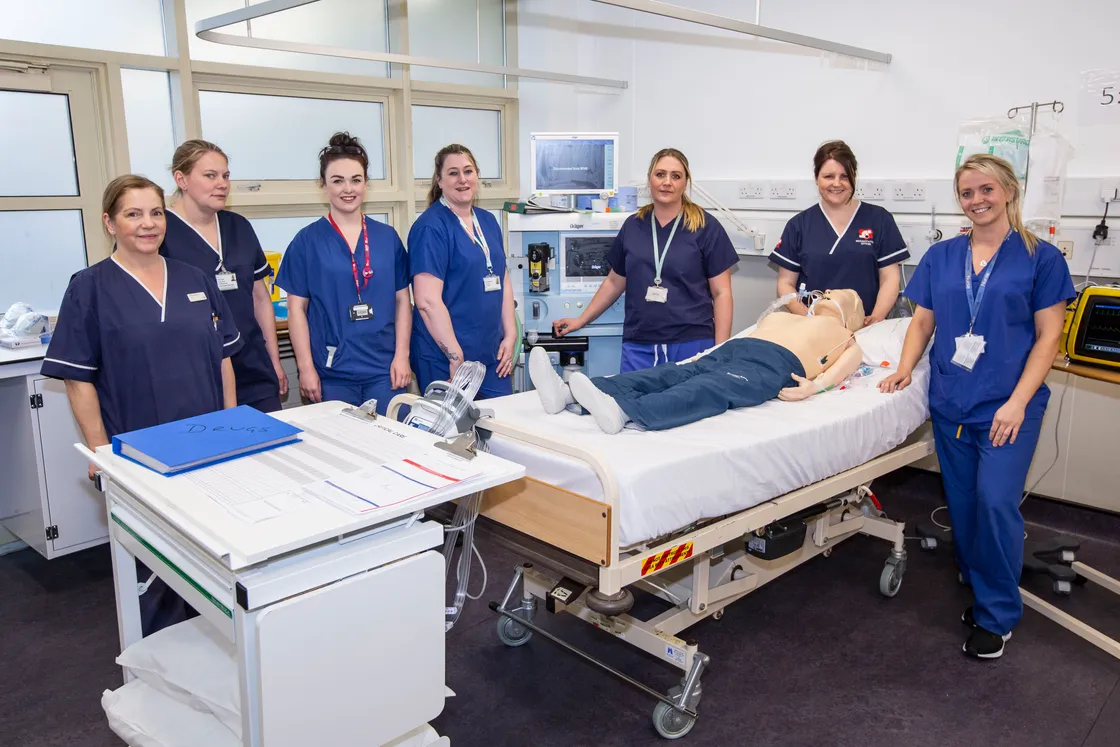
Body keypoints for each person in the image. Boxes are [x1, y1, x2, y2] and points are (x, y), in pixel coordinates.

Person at [879, 154, 1075, 661]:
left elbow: (1049, 337)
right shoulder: (942, 257)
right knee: (962, 507)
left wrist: (1016, 402)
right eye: (967, 193)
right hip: (952, 401)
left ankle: (997, 614)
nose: (977, 201)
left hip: (1010, 406)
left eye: (986, 190)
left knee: (993, 503)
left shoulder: (1042, 258)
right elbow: (922, 322)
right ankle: (982, 580)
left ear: (1008, 191)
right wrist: (905, 367)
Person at [41, 174, 242, 636]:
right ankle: (161, 654)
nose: (147, 224)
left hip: (209, 444)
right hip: (139, 450)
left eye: (155, 213)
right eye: (133, 214)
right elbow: (77, 379)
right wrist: (100, 453)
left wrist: (233, 424)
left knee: (213, 556)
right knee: (158, 566)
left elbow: (225, 358)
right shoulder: (89, 287)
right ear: (110, 222)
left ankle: (217, 644)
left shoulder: (195, 279)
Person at [530, 289, 866, 433]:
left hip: (772, 367)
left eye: (840, 295)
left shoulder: (846, 336)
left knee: (706, 388)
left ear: (852, 314)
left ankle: (622, 412)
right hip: (738, 348)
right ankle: (568, 394)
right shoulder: (792, 316)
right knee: (668, 374)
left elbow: (850, 362)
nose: (829, 294)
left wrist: (815, 388)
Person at [552, 147, 738, 372]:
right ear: (649, 179)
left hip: (692, 344)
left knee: (685, 405)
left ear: (685, 183)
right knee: (632, 402)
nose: (667, 182)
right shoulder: (633, 226)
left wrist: (718, 350)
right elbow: (614, 282)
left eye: (675, 176)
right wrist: (581, 320)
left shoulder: (705, 227)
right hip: (639, 343)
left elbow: (722, 293)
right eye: (660, 174)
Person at [275, 132, 412, 415]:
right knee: (341, 450)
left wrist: (402, 355)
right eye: (337, 180)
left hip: (385, 369)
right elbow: (296, 310)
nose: (347, 189)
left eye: (356, 179)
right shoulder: (307, 241)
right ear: (322, 185)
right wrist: (305, 369)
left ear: (366, 183)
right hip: (332, 372)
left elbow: (402, 302)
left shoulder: (387, 238)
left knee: (393, 444)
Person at [160, 139, 286, 412]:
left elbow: (261, 299)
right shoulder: (160, 234)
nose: (222, 183)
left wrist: (274, 361)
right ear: (181, 179)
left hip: (253, 367)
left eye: (226, 175)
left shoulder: (238, 226)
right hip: (196, 373)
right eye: (210, 175)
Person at [410, 144, 516, 398]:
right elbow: (426, 301)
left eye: (468, 171)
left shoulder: (488, 221)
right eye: (453, 173)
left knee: (501, 428)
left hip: (491, 353)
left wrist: (510, 335)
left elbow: (502, 277)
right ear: (439, 180)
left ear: (477, 175)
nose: (462, 179)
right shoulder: (430, 228)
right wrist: (455, 355)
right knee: (448, 434)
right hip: (445, 358)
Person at [769, 140, 909, 324]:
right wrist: (808, 317)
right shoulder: (799, 225)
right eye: (828, 176)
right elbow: (785, 283)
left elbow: (890, 278)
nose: (837, 183)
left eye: (844, 176)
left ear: (854, 177)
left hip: (865, 325)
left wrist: (875, 317)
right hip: (813, 326)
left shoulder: (879, 219)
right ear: (816, 178)